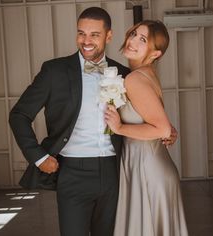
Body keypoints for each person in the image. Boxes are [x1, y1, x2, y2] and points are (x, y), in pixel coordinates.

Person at [9, 7, 177, 236]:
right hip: (71, 172)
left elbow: (149, 116)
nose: (86, 41)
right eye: (81, 33)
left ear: (108, 36)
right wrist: (38, 157)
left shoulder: (125, 73)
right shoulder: (54, 71)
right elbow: (19, 115)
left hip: (116, 173)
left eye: (94, 34)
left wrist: (167, 130)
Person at [105, 20, 189, 236]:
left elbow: (161, 130)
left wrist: (120, 127)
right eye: (133, 34)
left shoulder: (135, 79)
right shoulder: (145, 74)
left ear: (155, 54)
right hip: (148, 165)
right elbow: (162, 124)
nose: (132, 41)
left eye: (143, 40)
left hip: (147, 170)